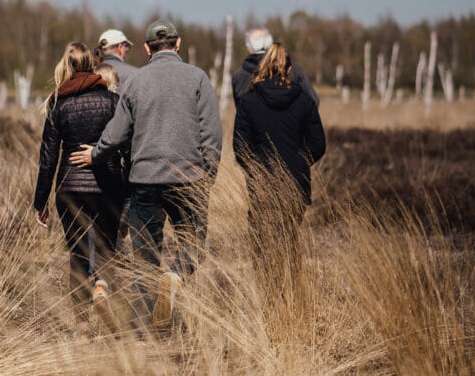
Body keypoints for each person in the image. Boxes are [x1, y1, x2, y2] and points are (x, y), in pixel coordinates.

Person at [70, 20, 222, 330]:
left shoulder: (136, 82)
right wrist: (208, 174)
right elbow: (212, 134)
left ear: (147, 48)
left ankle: (145, 330)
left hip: (143, 180)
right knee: (193, 241)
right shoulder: (197, 78)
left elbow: (115, 133)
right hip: (188, 178)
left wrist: (95, 154)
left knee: (145, 257)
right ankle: (176, 276)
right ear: (178, 45)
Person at [33, 42, 127, 335]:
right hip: (108, 185)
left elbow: (48, 158)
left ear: (68, 65)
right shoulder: (113, 102)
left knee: (77, 252)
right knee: (107, 249)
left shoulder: (58, 103)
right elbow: (126, 144)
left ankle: (83, 325)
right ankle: (102, 288)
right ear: (91, 64)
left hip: (69, 188)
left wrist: (41, 201)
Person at [232, 42, 325, 303]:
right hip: (295, 182)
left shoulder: (248, 101)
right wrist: (299, 162)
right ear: (290, 69)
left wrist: (254, 168)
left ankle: (269, 296)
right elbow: (318, 145)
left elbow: (240, 146)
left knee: (262, 243)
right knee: (290, 238)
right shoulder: (305, 101)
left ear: (263, 68)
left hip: (262, 182)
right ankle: (291, 294)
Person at [232, 28, 319, 108]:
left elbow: (240, 113)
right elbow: (313, 100)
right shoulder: (292, 69)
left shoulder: (238, 77)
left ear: (249, 49)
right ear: (271, 46)